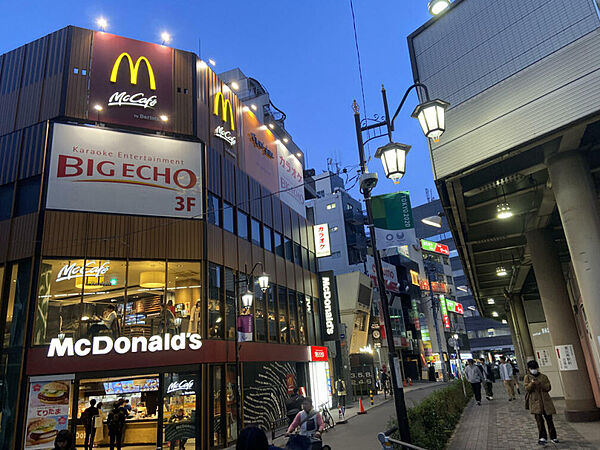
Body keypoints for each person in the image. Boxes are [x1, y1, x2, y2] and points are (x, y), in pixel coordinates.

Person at [524, 360, 558, 446]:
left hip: (545, 401)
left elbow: (548, 387)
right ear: (529, 369)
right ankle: (542, 437)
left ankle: (553, 437)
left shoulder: (543, 377)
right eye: (532, 368)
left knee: (549, 420)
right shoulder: (527, 377)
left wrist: (540, 384)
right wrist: (531, 384)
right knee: (539, 421)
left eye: (535, 368)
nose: (534, 370)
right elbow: (527, 389)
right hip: (535, 401)